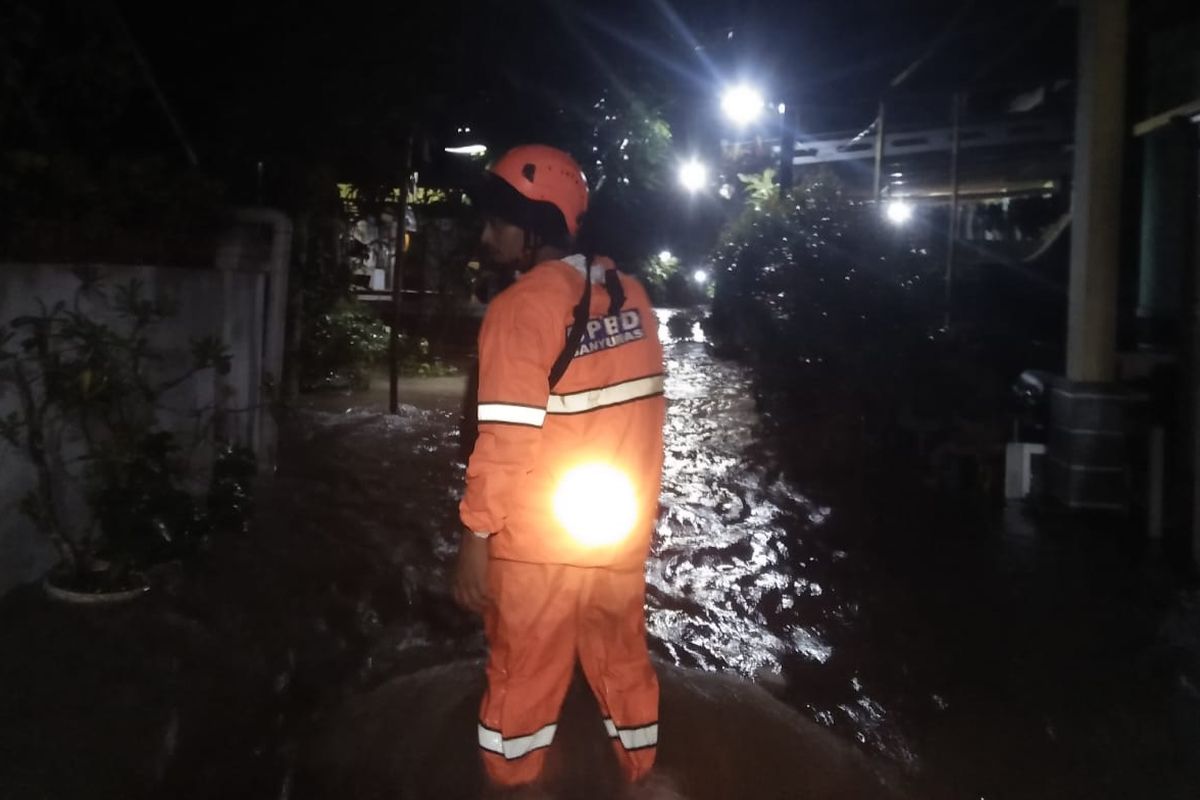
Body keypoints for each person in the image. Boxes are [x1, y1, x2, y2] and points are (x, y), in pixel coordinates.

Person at [453, 144, 666, 790]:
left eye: (498, 221)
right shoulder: (632, 297)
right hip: (615, 535)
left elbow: (505, 444)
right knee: (623, 666)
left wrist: (474, 540)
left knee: (522, 682)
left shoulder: (519, 311)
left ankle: (513, 782)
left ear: (537, 225)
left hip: (538, 544)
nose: (486, 235)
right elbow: (648, 425)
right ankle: (641, 774)